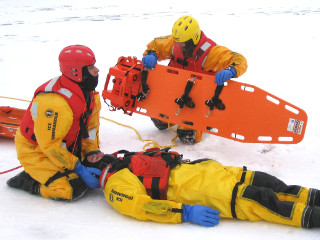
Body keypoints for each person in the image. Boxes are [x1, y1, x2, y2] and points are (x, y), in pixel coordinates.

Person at [92, 150, 320, 228]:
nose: (99, 154)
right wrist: (185, 213)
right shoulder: (115, 183)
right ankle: (314, 217)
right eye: (92, 157)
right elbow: (143, 207)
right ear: (92, 170)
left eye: (96, 151)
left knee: (273, 184)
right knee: (265, 200)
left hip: (211, 171)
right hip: (207, 191)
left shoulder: (125, 159)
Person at [7, 45, 104, 201]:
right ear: (77, 72)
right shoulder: (55, 104)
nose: (97, 70)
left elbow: (91, 128)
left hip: (65, 148)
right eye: (91, 67)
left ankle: (61, 168)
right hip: (37, 151)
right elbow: (49, 146)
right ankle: (28, 180)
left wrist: (91, 151)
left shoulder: (90, 96)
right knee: (69, 189)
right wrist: (77, 167)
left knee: (102, 164)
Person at [142, 15, 248, 144]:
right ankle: (171, 116)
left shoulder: (211, 52)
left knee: (187, 136)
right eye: (178, 42)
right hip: (174, 91)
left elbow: (239, 59)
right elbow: (156, 45)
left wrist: (231, 70)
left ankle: (205, 123)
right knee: (160, 122)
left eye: (183, 43)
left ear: (194, 39)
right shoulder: (175, 42)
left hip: (198, 98)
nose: (180, 45)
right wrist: (151, 54)